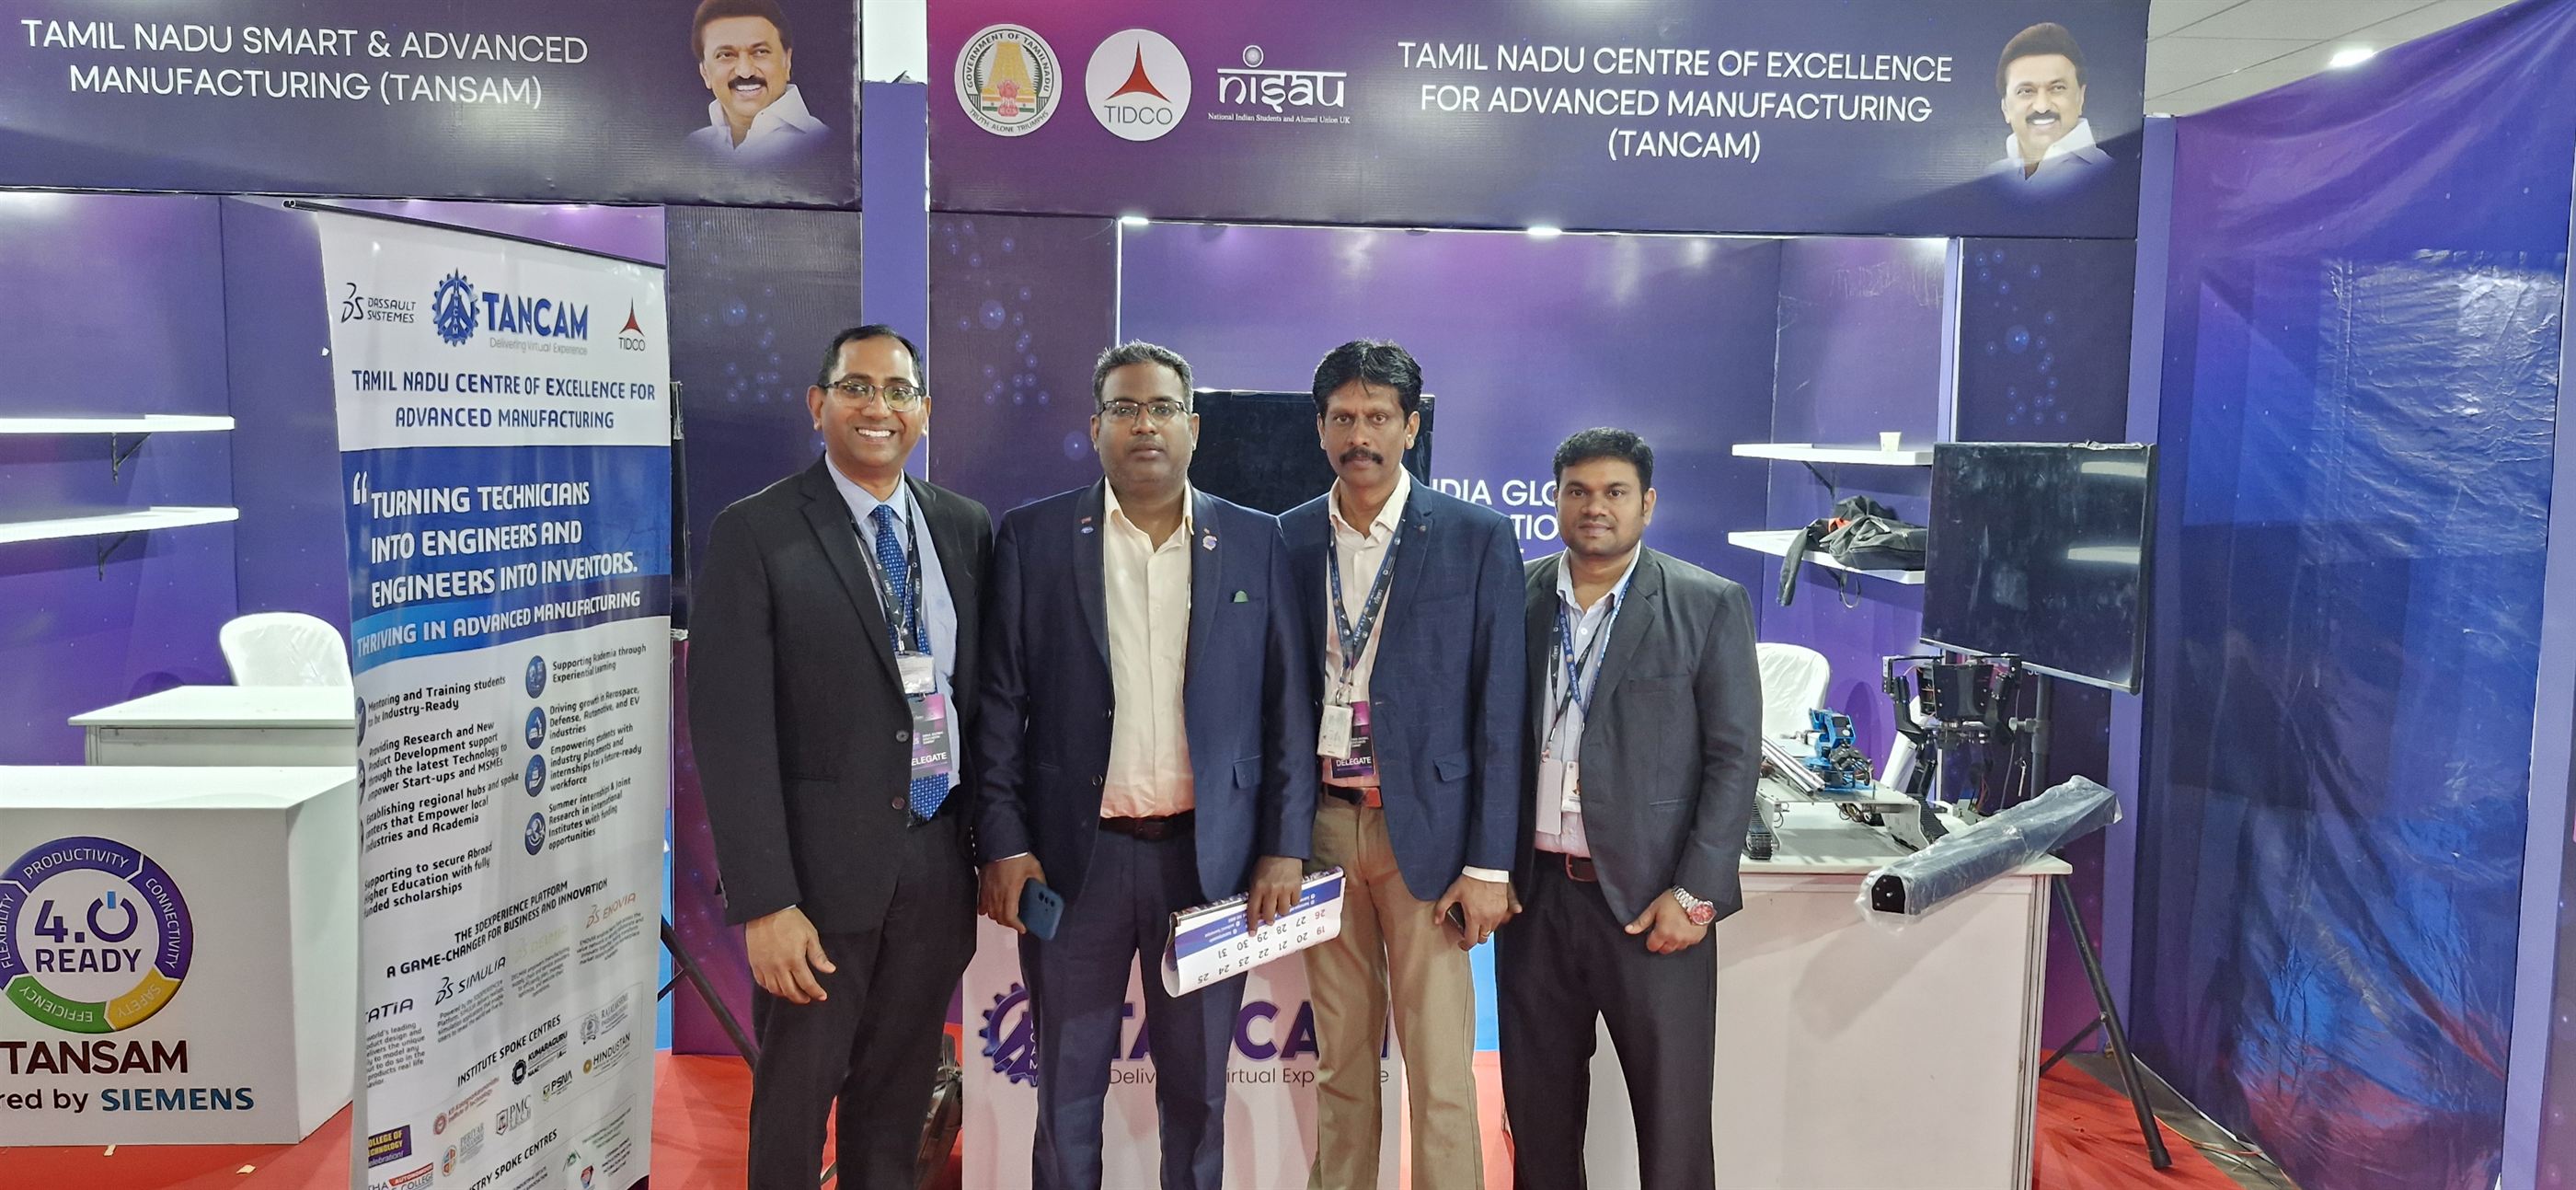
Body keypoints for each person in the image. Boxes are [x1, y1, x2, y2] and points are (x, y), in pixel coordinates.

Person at [975, 341, 1318, 1190]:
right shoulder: (1034, 537)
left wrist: (1284, 845)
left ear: (1193, 426)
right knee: (1066, 1095)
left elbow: (1286, 708)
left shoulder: (1255, 539)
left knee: (1199, 1096)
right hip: (1074, 864)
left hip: (1208, 866)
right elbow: (999, 709)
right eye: (1124, 409)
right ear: (1095, 426)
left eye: (1162, 408)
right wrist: (1005, 843)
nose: (1144, 425)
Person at [689, 325, 989, 1189]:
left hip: (935, 864)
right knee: (795, 1100)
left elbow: (973, 695)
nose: (878, 407)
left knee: (895, 1100)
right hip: (815, 886)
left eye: (898, 391)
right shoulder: (757, 531)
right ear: (818, 404)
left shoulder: (961, 526)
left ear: (923, 412)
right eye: (857, 387)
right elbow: (730, 730)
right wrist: (766, 901)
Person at [1279, 341, 1523, 1190]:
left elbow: (1500, 711)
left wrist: (1489, 863)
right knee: (1340, 1067)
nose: (1361, 435)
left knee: (1441, 1072)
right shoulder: (1288, 536)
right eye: (1344, 417)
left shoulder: (1475, 537)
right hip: (1322, 830)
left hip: (1431, 837)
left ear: (1410, 427)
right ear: (1320, 429)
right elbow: (1276, 698)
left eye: (1378, 416)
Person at [1497, 427, 1761, 1190]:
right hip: (1535, 900)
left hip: (1653, 907)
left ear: (1647, 503)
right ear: (1554, 500)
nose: (1595, 507)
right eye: (1577, 491)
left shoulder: (1705, 603)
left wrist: (1696, 893)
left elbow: (1734, 757)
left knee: (1673, 1130)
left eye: (1615, 492)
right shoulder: (1513, 596)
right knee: (1539, 1123)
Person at [687, 0, 829, 164]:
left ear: (787, 62)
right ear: (705, 72)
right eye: (726, 55)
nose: (745, 72)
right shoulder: (692, 149)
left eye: (760, 52)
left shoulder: (824, 146)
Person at [1990, 22, 2110, 186]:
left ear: (2081, 97)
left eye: (2057, 88)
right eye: (2026, 91)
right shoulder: (1989, 179)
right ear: (2005, 108)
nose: (2042, 106)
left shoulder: (2111, 176)